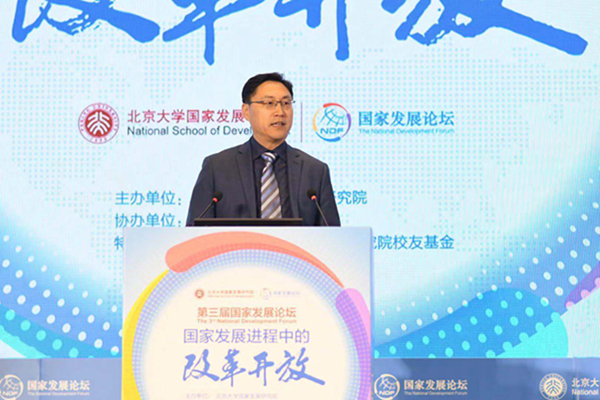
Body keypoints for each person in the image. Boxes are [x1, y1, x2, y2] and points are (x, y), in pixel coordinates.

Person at [186, 72, 340, 226]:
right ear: (246, 111)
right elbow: (194, 232)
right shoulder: (217, 168)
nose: (280, 112)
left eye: (286, 103)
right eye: (269, 103)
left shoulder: (315, 171)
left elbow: (332, 235)